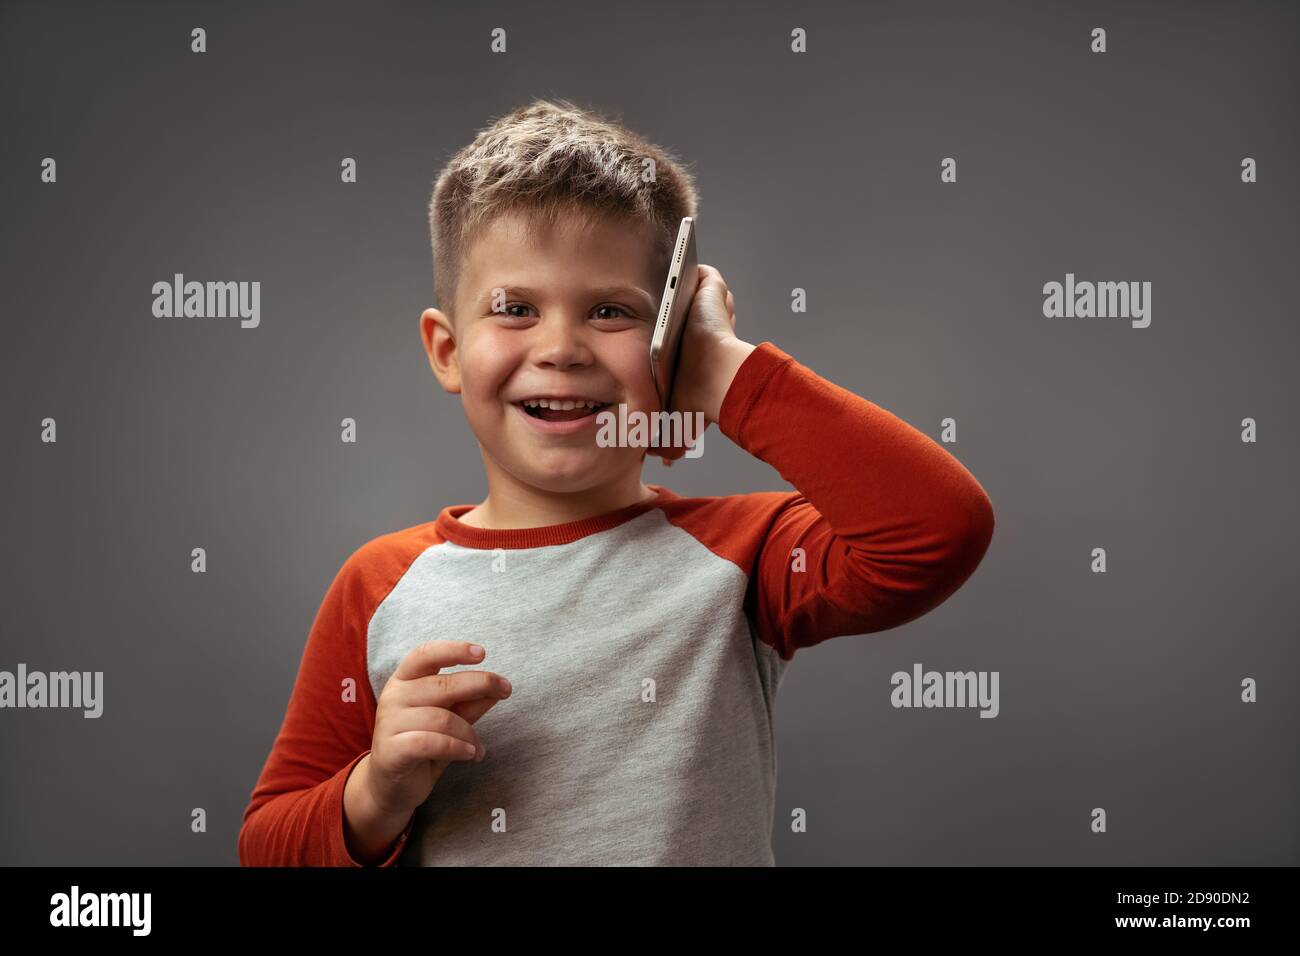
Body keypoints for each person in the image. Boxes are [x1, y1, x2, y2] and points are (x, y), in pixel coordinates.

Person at [238, 98, 995, 866]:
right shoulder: (380, 585)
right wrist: (375, 795)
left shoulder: (743, 556)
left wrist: (722, 370)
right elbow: (266, 847)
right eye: (515, 309)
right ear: (446, 351)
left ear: (670, 346)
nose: (560, 348)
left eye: (609, 311)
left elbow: (938, 527)